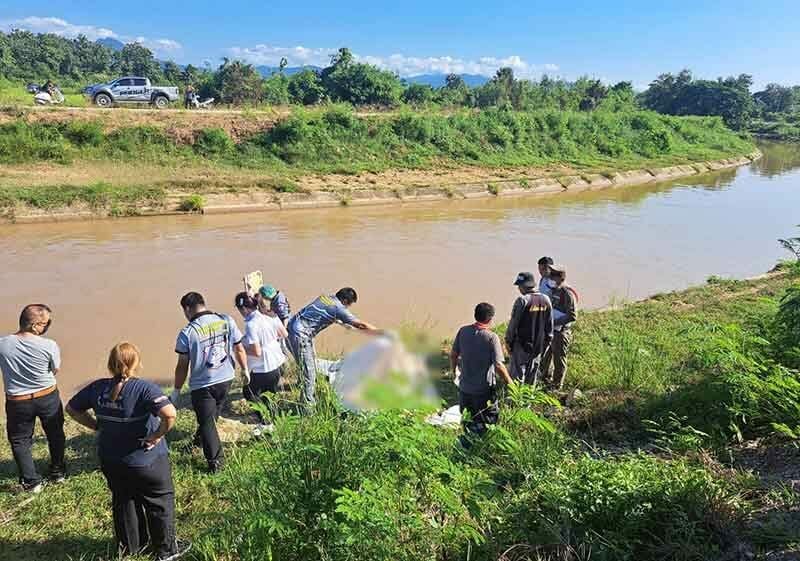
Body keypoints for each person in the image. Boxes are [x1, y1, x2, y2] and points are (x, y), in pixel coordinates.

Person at [66, 343, 190, 561]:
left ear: (110, 364)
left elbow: (72, 408)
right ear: (136, 363)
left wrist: (95, 425)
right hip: (147, 461)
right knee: (159, 503)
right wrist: (157, 435)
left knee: (124, 501)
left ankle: (131, 548)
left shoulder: (97, 388)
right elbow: (169, 414)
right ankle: (166, 551)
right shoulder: (144, 388)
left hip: (112, 460)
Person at [172, 292, 248, 472]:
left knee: (207, 422)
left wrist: (176, 390)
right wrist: (245, 370)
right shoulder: (226, 320)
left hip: (202, 385)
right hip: (226, 378)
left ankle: (217, 464)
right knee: (211, 417)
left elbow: (182, 365)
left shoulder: (187, 333)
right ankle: (199, 441)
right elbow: (239, 347)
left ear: (187, 309)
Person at [0, 304, 66, 493]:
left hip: (17, 401)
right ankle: (58, 471)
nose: (47, 327)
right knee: (55, 434)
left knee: (20, 440)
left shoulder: (3, 344)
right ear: (35, 325)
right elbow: (55, 369)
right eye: (46, 323)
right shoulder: (49, 345)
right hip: (47, 396)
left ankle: (31, 482)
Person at [287, 288, 381, 411]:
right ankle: (307, 408)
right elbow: (361, 325)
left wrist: (342, 322)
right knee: (310, 373)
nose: (348, 308)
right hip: (301, 337)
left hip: (291, 328)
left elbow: (326, 314)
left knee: (306, 363)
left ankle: (301, 385)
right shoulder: (339, 308)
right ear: (345, 300)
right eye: (349, 304)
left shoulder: (325, 298)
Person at [450, 303, 513, 436]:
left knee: (467, 421)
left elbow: (453, 354)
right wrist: (510, 384)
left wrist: (453, 371)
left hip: (464, 389)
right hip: (483, 391)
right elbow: (499, 365)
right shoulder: (491, 338)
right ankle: (480, 448)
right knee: (487, 422)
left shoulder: (463, 331)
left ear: (475, 315)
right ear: (490, 319)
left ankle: (466, 445)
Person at [235, 292, 287, 430]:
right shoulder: (268, 315)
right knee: (269, 394)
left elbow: (257, 352)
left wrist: (240, 349)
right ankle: (273, 421)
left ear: (244, 309)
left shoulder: (251, 324)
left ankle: (265, 423)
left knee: (249, 393)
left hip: (263, 366)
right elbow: (284, 334)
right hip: (277, 362)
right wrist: (268, 338)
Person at [505, 272, 553, 384]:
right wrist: (545, 345)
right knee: (532, 375)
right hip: (538, 345)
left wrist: (508, 341)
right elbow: (549, 327)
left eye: (519, 286)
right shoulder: (546, 299)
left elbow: (513, 324)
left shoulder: (522, 300)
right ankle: (529, 399)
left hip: (521, 344)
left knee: (516, 376)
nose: (518, 289)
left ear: (523, 286)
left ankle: (516, 400)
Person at [540, 265, 578, 390]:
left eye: (552, 277)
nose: (550, 279)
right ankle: (544, 378)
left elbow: (572, 316)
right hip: (551, 330)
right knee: (546, 356)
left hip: (561, 332)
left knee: (559, 359)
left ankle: (557, 386)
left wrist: (555, 322)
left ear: (559, 278)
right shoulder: (554, 290)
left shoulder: (567, 293)